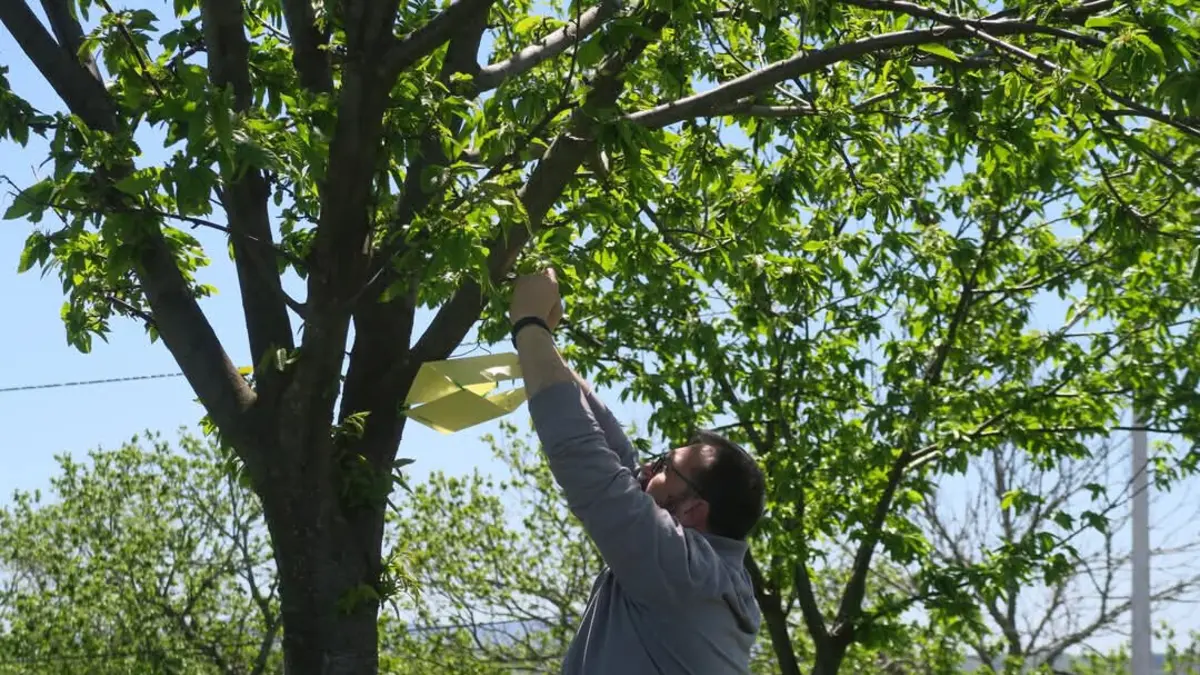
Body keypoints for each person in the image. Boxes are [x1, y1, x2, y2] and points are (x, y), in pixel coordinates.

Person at [508, 268, 767, 674]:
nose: (647, 466)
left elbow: (588, 463)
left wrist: (527, 322)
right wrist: (544, 344)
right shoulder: (697, 569)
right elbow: (615, 453)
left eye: (665, 466)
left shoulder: (686, 575)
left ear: (693, 510)